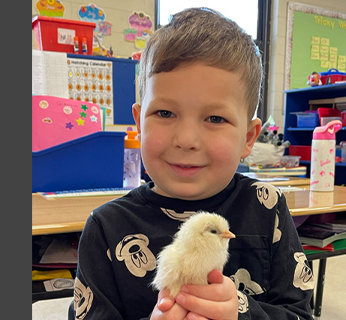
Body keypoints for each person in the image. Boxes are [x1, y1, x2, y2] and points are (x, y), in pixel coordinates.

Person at [73, 7, 315, 320]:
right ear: (139, 124)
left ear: (248, 137)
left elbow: (300, 314)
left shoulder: (267, 208)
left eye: (215, 118)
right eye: (164, 113)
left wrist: (242, 313)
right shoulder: (105, 228)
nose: (187, 139)